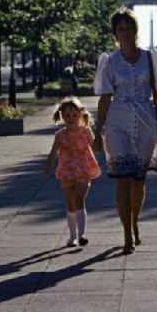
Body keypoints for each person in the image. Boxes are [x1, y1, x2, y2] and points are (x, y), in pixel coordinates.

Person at [93, 8, 157, 254]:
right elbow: (105, 97)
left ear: (137, 30)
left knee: (138, 180)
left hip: (146, 122)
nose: (125, 33)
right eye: (120, 28)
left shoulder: (151, 57)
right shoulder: (109, 61)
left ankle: (135, 222)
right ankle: (126, 233)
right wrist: (97, 130)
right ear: (115, 33)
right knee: (122, 179)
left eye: (129, 27)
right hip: (118, 122)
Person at [44, 96, 101, 247]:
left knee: (79, 200)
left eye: (74, 115)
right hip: (67, 171)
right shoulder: (60, 135)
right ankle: (72, 236)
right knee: (70, 204)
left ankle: (82, 235)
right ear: (62, 116)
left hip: (83, 169)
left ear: (80, 115)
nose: (71, 118)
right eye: (67, 115)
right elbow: (53, 152)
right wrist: (49, 165)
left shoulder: (85, 131)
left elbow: (95, 146)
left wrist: (101, 142)